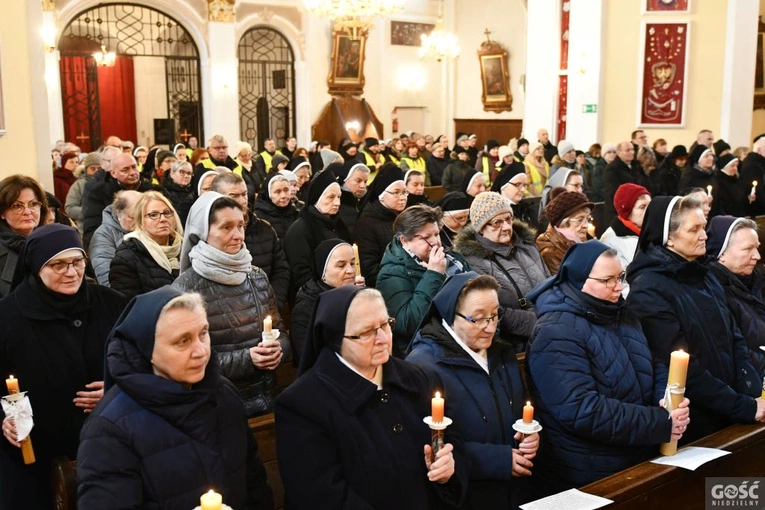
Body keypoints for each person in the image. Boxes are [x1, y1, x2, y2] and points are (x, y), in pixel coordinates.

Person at [76, 287, 274, 509]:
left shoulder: (224, 393)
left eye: (203, 333)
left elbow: (254, 484)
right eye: (183, 341)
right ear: (146, 348)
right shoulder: (109, 430)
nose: (200, 351)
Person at [275, 286, 468, 509]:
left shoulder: (419, 378)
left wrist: (448, 471)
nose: (383, 338)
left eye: (385, 324)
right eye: (367, 332)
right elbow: (320, 496)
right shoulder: (301, 406)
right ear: (336, 339)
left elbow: (454, 441)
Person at [526, 241, 690, 496]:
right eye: (607, 280)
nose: (618, 287)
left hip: (634, 448)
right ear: (579, 280)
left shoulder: (621, 312)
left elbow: (652, 363)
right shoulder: (555, 331)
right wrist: (657, 422)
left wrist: (667, 403)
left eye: (620, 277)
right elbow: (581, 409)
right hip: (589, 468)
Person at [0, 224, 125, 509]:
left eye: (77, 261)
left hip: (107, 445)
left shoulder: (111, 303)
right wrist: (3, 421)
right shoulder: (7, 317)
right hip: (35, 458)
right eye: (57, 264)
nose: (71, 272)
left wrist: (117, 389)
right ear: (36, 267)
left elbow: (140, 363)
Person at [627, 196, 765, 442]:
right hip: (698, 421)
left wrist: (750, 392)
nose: (705, 236)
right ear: (668, 237)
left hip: (733, 406)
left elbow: (735, 338)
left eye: (704, 226)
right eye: (694, 229)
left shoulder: (704, 274)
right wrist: (743, 406)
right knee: (720, 482)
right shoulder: (648, 289)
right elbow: (682, 368)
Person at [407, 272, 538, 508]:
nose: (490, 327)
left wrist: (531, 436)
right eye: (478, 319)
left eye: (495, 315)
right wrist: (497, 460)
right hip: (469, 495)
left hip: (516, 489)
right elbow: (428, 447)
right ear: (450, 316)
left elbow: (523, 408)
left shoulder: (502, 353)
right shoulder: (423, 366)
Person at [173, 192, 291, 417]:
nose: (238, 235)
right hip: (220, 408)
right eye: (226, 227)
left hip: (269, 398)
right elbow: (187, 359)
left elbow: (280, 332)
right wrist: (248, 359)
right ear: (203, 232)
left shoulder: (256, 276)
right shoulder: (185, 288)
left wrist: (278, 351)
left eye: (241, 225)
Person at [454, 193, 549, 352]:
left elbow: (550, 283)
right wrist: (540, 323)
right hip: (516, 344)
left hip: (550, 326)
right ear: (481, 228)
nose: (506, 227)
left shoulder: (527, 247)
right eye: (497, 222)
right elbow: (493, 312)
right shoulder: (472, 261)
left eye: (508, 219)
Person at [377, 205, 468, 356]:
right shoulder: (391, 274)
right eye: (426, 237)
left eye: (437, 234)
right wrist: (433, 274)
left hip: (465, 337)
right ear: (405, 241)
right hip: (426, 350)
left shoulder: (454, 259)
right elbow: (407, 325)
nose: (435, 242)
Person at [212, 172, 290, 311]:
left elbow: (281, 270)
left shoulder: (265, 229)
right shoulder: (212, 234)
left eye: (244, 194)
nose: (242, 200)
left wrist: (273, 303)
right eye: (234, 196)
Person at [706, 217, 765, 377]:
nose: (757, 256)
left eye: (757, 248)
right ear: (722, 253)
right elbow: (736, 353)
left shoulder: (756, 281)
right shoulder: (713, 293)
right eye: (748, 249)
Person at [290, 239, 365, 359]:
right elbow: (308, 357)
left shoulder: (361, 296)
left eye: (352, 264)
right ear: (323, 272)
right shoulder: (305, 308)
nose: (350, 271)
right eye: (341, 265)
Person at [284, 170, 351, 298]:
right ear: (317, 198)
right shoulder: (299, 230)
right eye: (331, 197)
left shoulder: (340, 225)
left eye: (339, 197)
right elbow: (302, 276)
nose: (337, 203)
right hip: (314, 299)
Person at [109, 191, 183, 300]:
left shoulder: (185, 248)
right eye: (153, 215)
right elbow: (129, 307)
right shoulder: (126, 258)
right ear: (140, 221)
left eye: (167, 213)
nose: (163, 219)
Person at [81, 152, 154, 247]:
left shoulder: (150, 190)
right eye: (125, 170)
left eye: (134, 167)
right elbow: (93, 228)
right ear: (113, 173)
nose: (132, 173)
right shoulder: (99, 193)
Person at [355, 164, 407, 286]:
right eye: (396, 193)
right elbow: (369, 269)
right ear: (381, 195)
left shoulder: (404, 217)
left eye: (405, 192)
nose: (403, 198)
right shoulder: (366, 223)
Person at [0, 175, 48, 298]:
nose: (27, 212)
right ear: (2, 213)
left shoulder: (53, 240)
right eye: (17, 206)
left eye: (33, 204)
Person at [599, 183, 651, 296]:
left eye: (650, 205)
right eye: (642, 207)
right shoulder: (610, 240)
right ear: (627, 211)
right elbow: (620, 283)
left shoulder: (651, 231)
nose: (648, 211)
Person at [90, 190, 141, 286]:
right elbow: (107, 279)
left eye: (142, 215)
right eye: (133, 217)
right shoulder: (103, 236)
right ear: (118, 213)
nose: (139, 222)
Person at [536, 191, 594, 274]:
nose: (586, 225)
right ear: (563, 223)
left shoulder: (581, 241)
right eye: (580, 220)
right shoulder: (550, 253)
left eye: (587, 219)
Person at [603, 141, 650, 226]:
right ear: (619, 153)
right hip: (623, 211)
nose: (631, 152)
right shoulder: (612, 169)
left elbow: (645, 183)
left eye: (632, 149)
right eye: (627, 150)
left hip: (639, 208)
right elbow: (611, 193)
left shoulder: (636, 165)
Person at [253, 173, 300, 239]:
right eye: (278, 192)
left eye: (286, 190)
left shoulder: (297, 212)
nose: (283, 196)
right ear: (269, 194)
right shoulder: (258, 218)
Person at [331, 160, 369, 239]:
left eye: (365, 181)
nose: (363, 186)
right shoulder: (335, 206)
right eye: (358, 181)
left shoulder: (367, 204)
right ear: (345, 180)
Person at [65, 151, 101, 232]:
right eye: (93, 168)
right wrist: (88, 211)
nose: (96, 171)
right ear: (86, 169)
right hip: (86, 229)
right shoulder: (79, 185)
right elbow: (69, 208)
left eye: (99, 168)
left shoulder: (108, 183)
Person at [711, 154, 750, 218]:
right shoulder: (717, 181)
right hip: (726, 218)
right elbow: (718, 203)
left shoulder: (737, 180)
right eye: (732, 166)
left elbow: (740, 199)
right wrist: (724, 215)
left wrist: (748, 199)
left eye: (736, 166)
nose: (735, 169)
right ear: (724, 167)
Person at [161, 160, 195, 225]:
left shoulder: (194, 192)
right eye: (182, 172)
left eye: (189, 173)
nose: (186, 176)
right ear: (172, 174)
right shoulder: (163, 193)